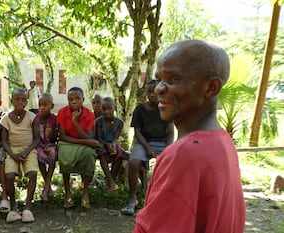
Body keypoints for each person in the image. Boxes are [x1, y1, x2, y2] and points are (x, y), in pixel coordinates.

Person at [133, 40, 246, 232]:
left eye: (173, 79)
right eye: (159, 79)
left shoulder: (184, 153)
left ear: (211, 87)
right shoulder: (222, 141)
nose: (159, 88)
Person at [121, 79, 174, 216]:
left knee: (169, 165)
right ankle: (133, 199)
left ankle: (163, 200)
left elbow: (171, 132)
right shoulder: (140, 109)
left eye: (155, 92)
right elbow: (137, 132)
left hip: (162, 142)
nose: (152, 95)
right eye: (149, 92)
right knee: (134, 163)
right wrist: (147, 148)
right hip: (143, 141)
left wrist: (168, 150)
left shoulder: (166, 108)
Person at [0, 88, 39, 223]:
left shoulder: (31, 117)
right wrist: (13, 154)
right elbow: (4, 141)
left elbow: (37, 139)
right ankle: (13, 207)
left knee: (32, 173)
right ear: (12, 101)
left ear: (27, 102)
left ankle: (27, 208)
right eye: (17, 99)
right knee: (9, 176)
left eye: (23, 100)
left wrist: (26, 151)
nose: (20, 102)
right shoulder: (6, 119)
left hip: (29, 149)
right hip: (13, 150)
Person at [57, 87, 99, 209]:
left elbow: (88, 135)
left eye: (77, 98)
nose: (73, 101)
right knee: (63, 154)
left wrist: (75, 122)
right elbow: (63, 137)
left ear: (83, 100)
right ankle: (67, 191)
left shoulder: (89, 114)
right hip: (67, 143)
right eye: (70, 99)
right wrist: (86, 141)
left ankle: (85, 191)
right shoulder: (62, 112)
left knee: (89, 154)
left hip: (83, 144)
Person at [95, 97, 127, 192]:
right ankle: (110, 180)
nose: (107, 112)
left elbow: (115, 138)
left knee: (119, 154)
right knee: (102, 153)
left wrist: (112, 145)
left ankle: (112, 179)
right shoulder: (99, 121)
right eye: (104, 109)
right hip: (101, 143)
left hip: (112, 143)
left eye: (110, 108)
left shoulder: (120, 123)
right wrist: (107, 145)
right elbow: (98, 138)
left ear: (115, 108)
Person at [34, 93, 58, 201]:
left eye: (45, 105)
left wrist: (50, 134)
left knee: (52, 158)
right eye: (40, 105)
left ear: (51, 106)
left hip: (51, 145)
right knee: (39, 158)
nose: (42, 107)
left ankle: (47, 186)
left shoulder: (54, 119)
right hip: (39, 145)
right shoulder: (36, 118)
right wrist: (42, 146)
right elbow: (35, 137)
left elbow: (55, 138)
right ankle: (47, 186)